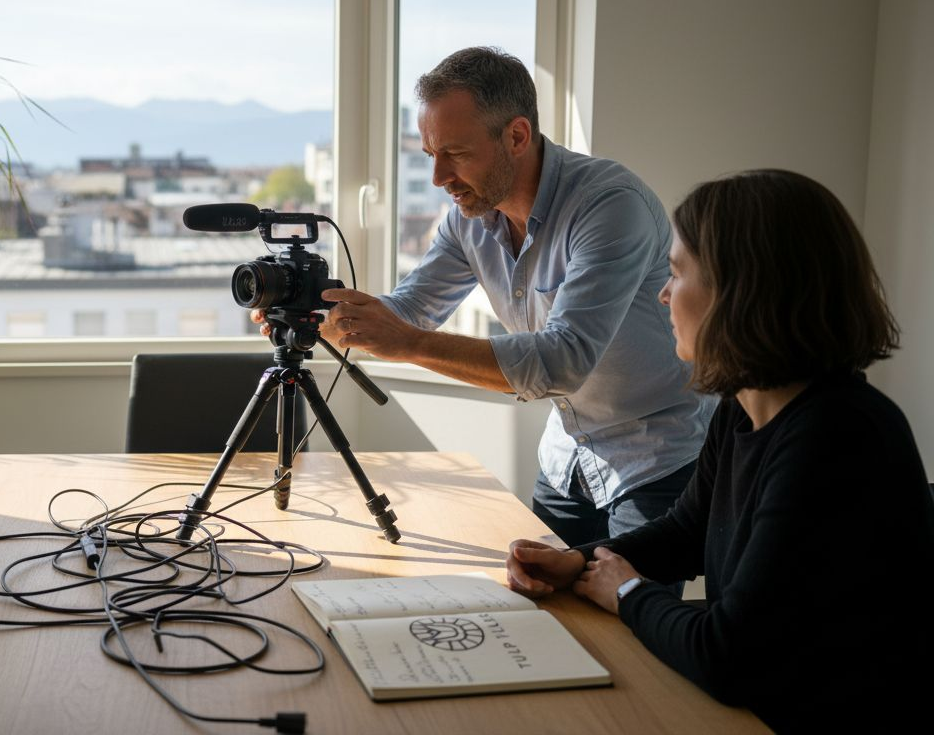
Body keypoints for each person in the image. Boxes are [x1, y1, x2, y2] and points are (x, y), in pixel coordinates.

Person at [505, 169, 934, 731]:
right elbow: (688, 531)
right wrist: (579, 560)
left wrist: (628, 592)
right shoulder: (744, 404)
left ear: (742, 290)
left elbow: (729, 655)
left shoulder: (837, 436)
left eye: (678, 273)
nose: (663, 293)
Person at [269, 47, 714, 547]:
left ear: (517, 136)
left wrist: (408, 344)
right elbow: (411, 308)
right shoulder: (469, 218)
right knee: (542, 610)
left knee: (628, 618)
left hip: (655, 459)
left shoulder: (609, 206)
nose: (438, 178)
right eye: (430, 156)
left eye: (455, 154)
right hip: (568, 456)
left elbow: (562, 361)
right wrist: (319, 316)